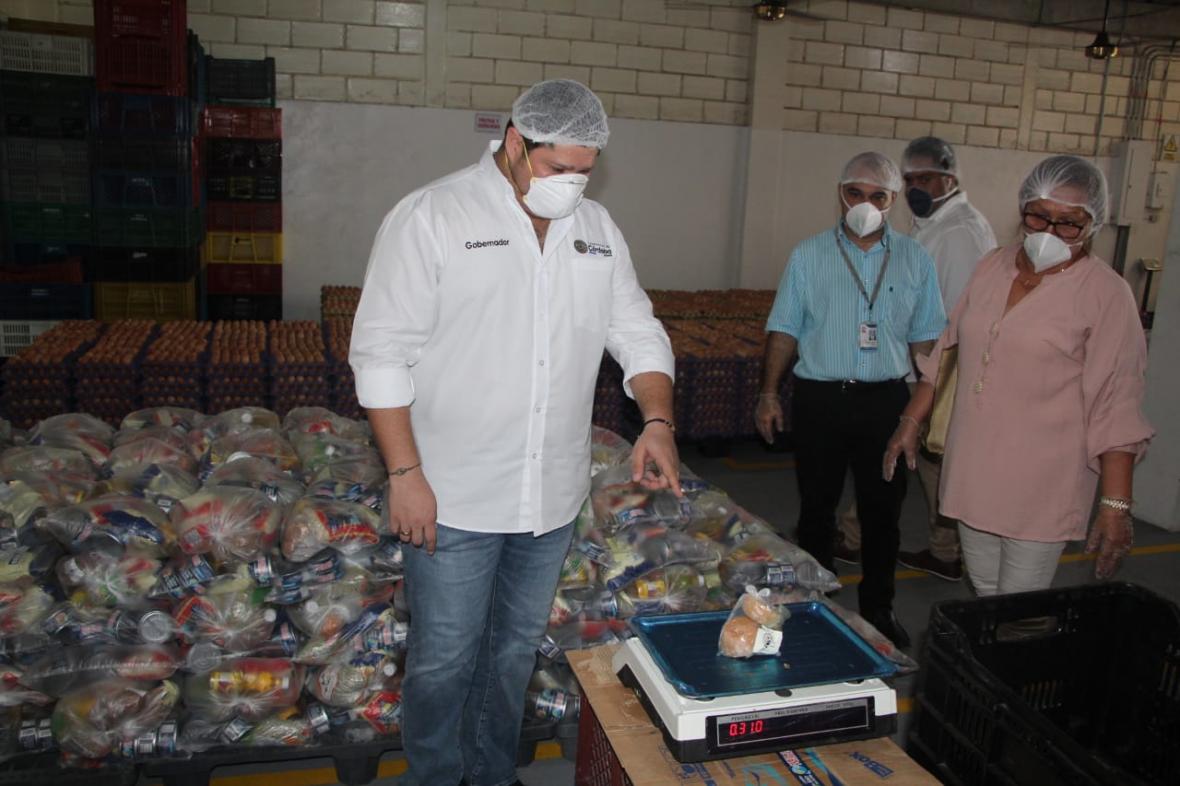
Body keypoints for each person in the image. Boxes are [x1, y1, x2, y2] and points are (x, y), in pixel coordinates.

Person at [349, 79, 679, 786]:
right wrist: (404, 476)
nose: (572, 183)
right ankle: (437, 775)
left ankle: (492, 773)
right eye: (559, 168)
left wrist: (658, 419)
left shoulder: (596, 230)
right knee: (444, 655)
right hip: (452, 493)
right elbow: (380, 355)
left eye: (584, 170)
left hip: (549, 497)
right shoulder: (434, 215)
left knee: (512, 653)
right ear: (513, 143)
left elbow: (637, 330)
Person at [883, 155, 1153, 597]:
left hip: (1043, 478)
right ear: (1024, 209)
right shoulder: (993, 266)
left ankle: (1019, 666)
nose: (1049, 232)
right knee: (986, 590)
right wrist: (910, 421)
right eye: (1039, 216)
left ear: (1092, 225)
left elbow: (1116, 401)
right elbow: (948, 353)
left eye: (1069, 223)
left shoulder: (1105, 294)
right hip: (973, 463)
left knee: (1019, 605)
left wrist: (1115, 505)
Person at [756, 152, 946, 648]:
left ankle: (878, 609)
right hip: (821, 398)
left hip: (886, 401)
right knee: (816, 510)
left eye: (877, 196)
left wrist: (919, 412)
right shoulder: (809, 254)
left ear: (893, 200)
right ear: (840, 194)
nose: (865, 205)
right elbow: (783, 329)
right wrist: (769, 392)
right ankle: (813, 604)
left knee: (883, 513)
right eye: (855, 194)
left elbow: (927, 339)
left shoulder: (914, 259)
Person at [835, 137, 997, 582]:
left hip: (929, 365)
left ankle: (862, 538)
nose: (915, 189)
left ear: (950, 178)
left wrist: (929, 377)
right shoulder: (934, 223)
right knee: (914, 456)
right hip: (915, 362)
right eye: (908, 181)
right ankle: (924, 545)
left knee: (909, 453)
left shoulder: (961, 232)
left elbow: (955, 316)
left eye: (924, 179)